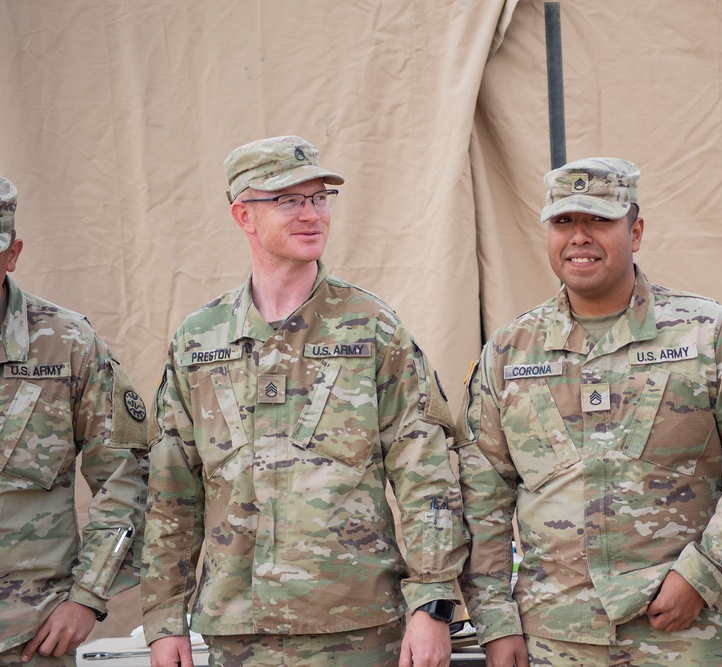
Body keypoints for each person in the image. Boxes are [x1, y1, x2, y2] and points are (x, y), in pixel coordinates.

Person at [141, 136, 468, 667]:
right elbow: (172, 489)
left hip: (357, 626)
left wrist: (432, 604)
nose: (311, 213)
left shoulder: (372, 328)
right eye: (289, 200)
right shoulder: (200, 340)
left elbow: (424, 472)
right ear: (243, 215)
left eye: (319, 198)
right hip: (237, 628)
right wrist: (163, 620)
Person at [454, 158, 722, 666]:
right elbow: (482, 496)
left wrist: (704, 573)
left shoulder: (706, 332)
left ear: (635, 232)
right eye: (564, 222)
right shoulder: (509, 351)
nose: (579, 237)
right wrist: (497, 621)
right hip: (555, 638)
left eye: (599, 221)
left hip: (683, 632)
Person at [0, 177, 149, 665]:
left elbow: (125, 476)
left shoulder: (68, 344)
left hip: (28, 635)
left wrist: (89, 595)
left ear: (12, 253)